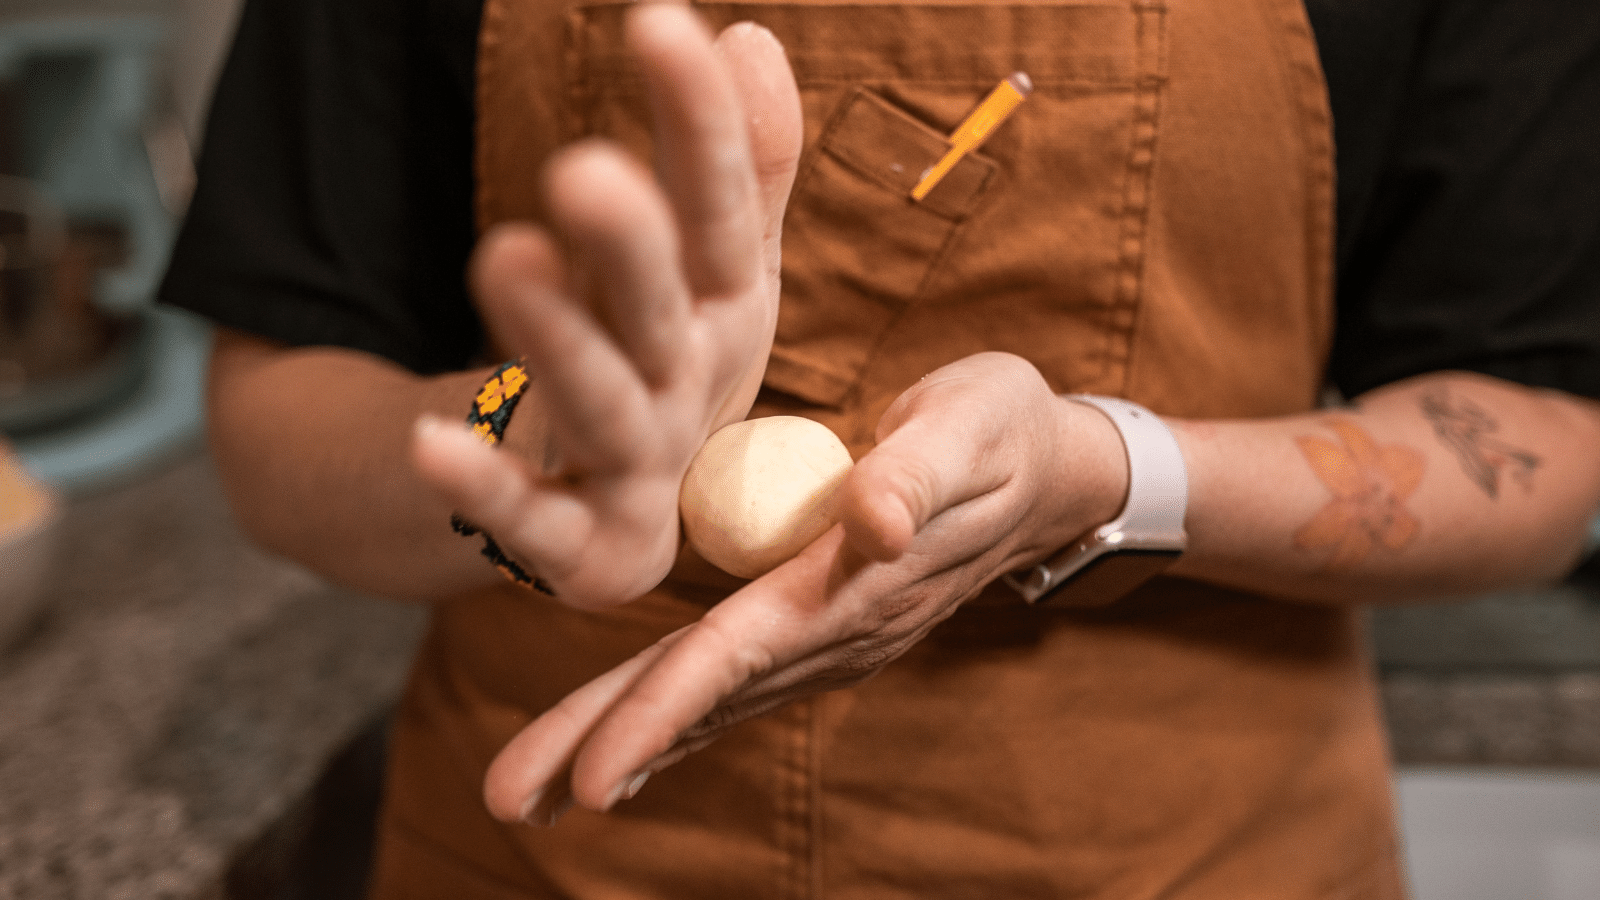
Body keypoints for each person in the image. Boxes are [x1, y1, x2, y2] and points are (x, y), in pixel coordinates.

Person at [160, 0, 1600, 895]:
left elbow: (1539, 444)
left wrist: (1102, 472)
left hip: (1181, 857)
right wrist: (527, 430)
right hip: (550, 853)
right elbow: (282, 415)